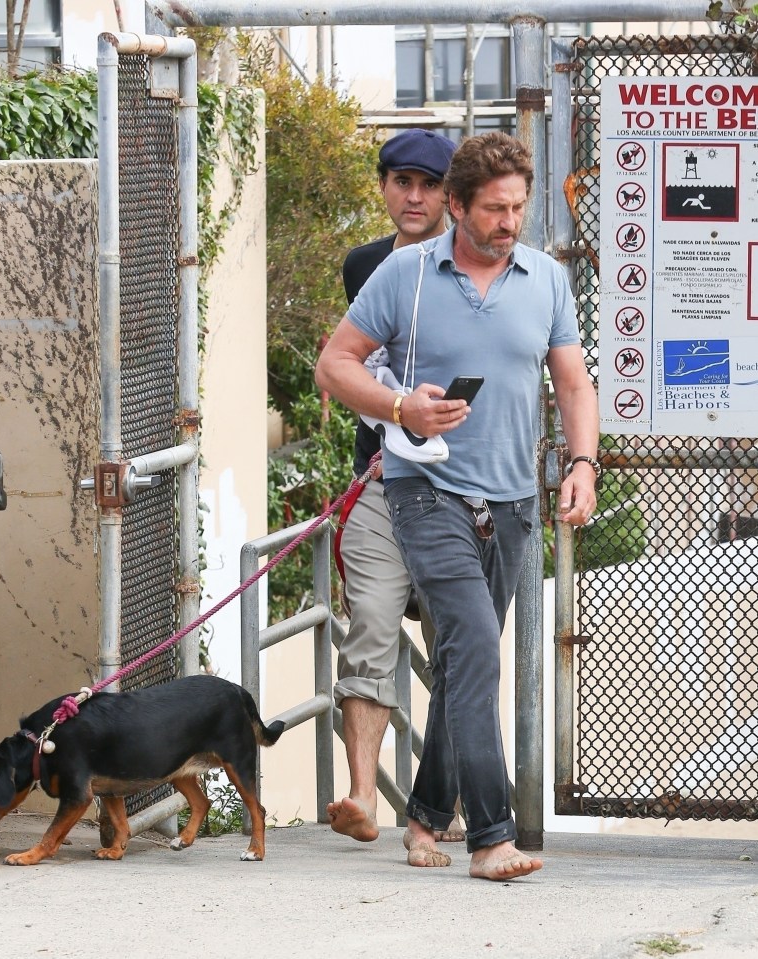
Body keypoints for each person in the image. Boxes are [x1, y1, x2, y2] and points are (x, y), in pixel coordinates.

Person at [316, 131, 600, 880]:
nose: (508, 222)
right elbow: (334, 364)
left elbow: (572, 383)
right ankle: (492, 836)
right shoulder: (402, 276)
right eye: (493, 209)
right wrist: (399, 407)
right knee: (473, 643)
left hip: (512, 501)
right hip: (425, 489)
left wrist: (581, 464)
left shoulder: (544, 278)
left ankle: (421, 813)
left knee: (462, 660)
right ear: (456, 206)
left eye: (517, 207)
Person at [327, 128, 463, 845]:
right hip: (381, 479)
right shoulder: (364, 265)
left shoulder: (480, 268)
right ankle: (359, 796)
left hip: (462, 486)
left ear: (452, 194)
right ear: (383, 186)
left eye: (429, 184)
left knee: (457, 644)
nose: (413, 197)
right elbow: (350, 365)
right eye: (400, 181)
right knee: (372, 625)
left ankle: (447, 801)